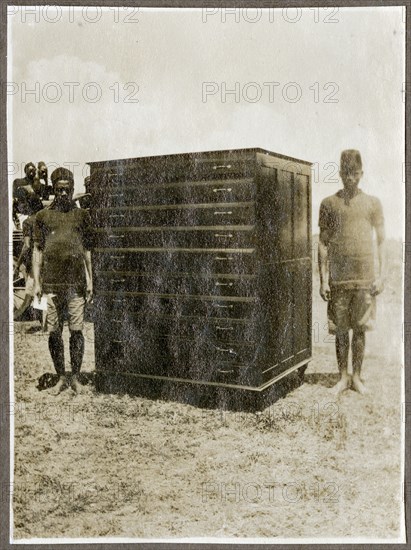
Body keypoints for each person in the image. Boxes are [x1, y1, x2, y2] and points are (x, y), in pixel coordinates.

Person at [318, 150, 386, 395]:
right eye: (346, 173)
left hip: (365, 278)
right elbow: (323, 243)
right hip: (339, 278)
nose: (351, 179)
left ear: (362, 174)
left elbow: (381, 241)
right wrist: (324, 280)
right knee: (340, 330)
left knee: (360, 329)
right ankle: (342, 377)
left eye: (355, 174)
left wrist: (382, 275)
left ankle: (356, 377)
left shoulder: (372, 203)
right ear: (340, 173)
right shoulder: (328, 204)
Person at [32, 167, 93, 394]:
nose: (63, 195)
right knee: (54, 332)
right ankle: (60, 377)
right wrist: (37, 282)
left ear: (73, 189)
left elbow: (88, 250)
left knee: (76, 330)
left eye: (67, 190)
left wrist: (90, 280)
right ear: (54, 190)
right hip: (51, 285)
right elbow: (37, 251)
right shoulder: (42, 217)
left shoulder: (82, 216)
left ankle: (75, 378)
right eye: (58, 190)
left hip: (76, 284)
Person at [14, 201, 44, 322]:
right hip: (45, 258)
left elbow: (26, 246)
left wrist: (18, 263)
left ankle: (19, 314)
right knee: (40, 286)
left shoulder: (27, 222)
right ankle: (43, 321)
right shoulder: (44, 219)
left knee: (30, 287)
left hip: (34, 259)